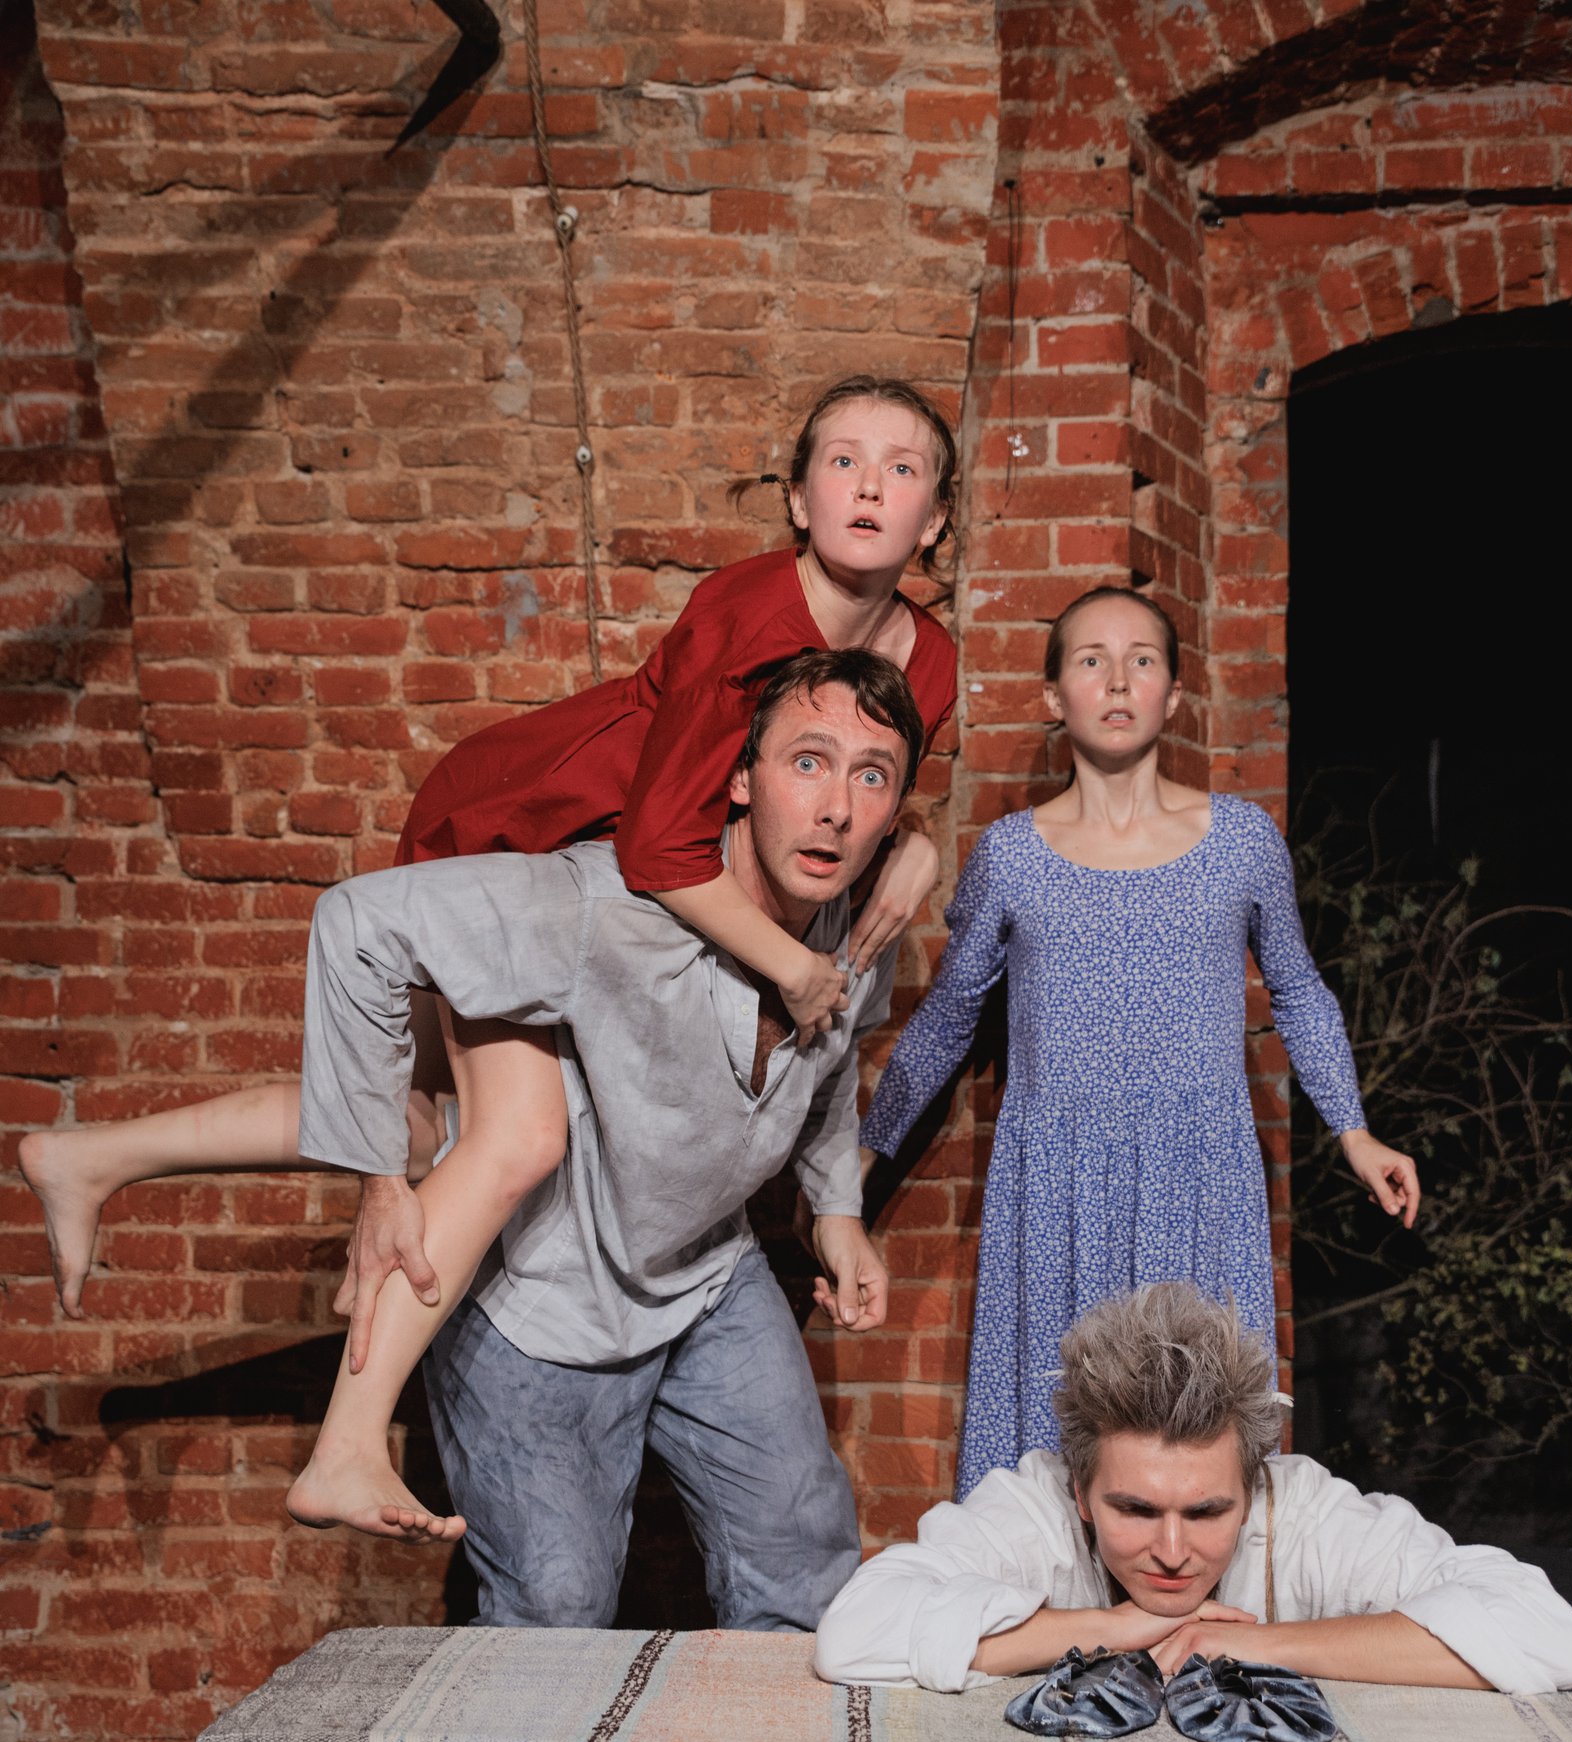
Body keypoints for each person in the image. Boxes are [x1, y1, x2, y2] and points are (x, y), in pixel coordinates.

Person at [19, 375, 959, 1543]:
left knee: (425, 1124)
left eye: (901, 469)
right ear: (795, 499)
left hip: (622, 866)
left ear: (933, 519)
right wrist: (798, 971)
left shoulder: (928, 658)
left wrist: (920, 842)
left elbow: (876, 784)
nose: (869, 485)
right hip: (528, 830)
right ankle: (345, 1449)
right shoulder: (743, 612)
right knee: (515, 1138)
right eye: (842, 461)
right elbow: (659, 849)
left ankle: (94, 1154)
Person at [297, 648, 920, 1630]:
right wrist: (380, 1178)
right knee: (556, 1611)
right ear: (739, 778)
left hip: (707, 1275)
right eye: (808, 762)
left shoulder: (862, 926)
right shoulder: (603, 908)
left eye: (870, 775)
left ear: (895, 812)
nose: (837, 807)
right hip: (545, 1297)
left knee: (805, 1572)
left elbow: (835, 1067)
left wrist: (836, 1210)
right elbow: (357, 925)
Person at [859, 584, 1419, 1498]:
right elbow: (951, 1015)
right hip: (1058, 1189)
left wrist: (1355, 1133)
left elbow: (1298, 989)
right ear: (1054, 695)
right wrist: (861, 1157)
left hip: (1197, 1179)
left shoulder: (1241, 842)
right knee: (1051, 1462)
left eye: (1142, 660)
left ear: (1174, 695)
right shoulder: (1011, 855)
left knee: (1196, 1453)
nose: (1118, 680)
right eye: (1092, 660)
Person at [814, 1281, 1572, 1695]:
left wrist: (1250, 1643)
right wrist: (1112, 1628)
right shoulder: (1032, 1505)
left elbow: (1549, 1636)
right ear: (1080, 1491)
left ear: (1253, 1490)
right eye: (1134, 1508)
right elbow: (853, 1634)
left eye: (1208, 1511)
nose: (1172, 1551)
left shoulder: (1306, 1509)